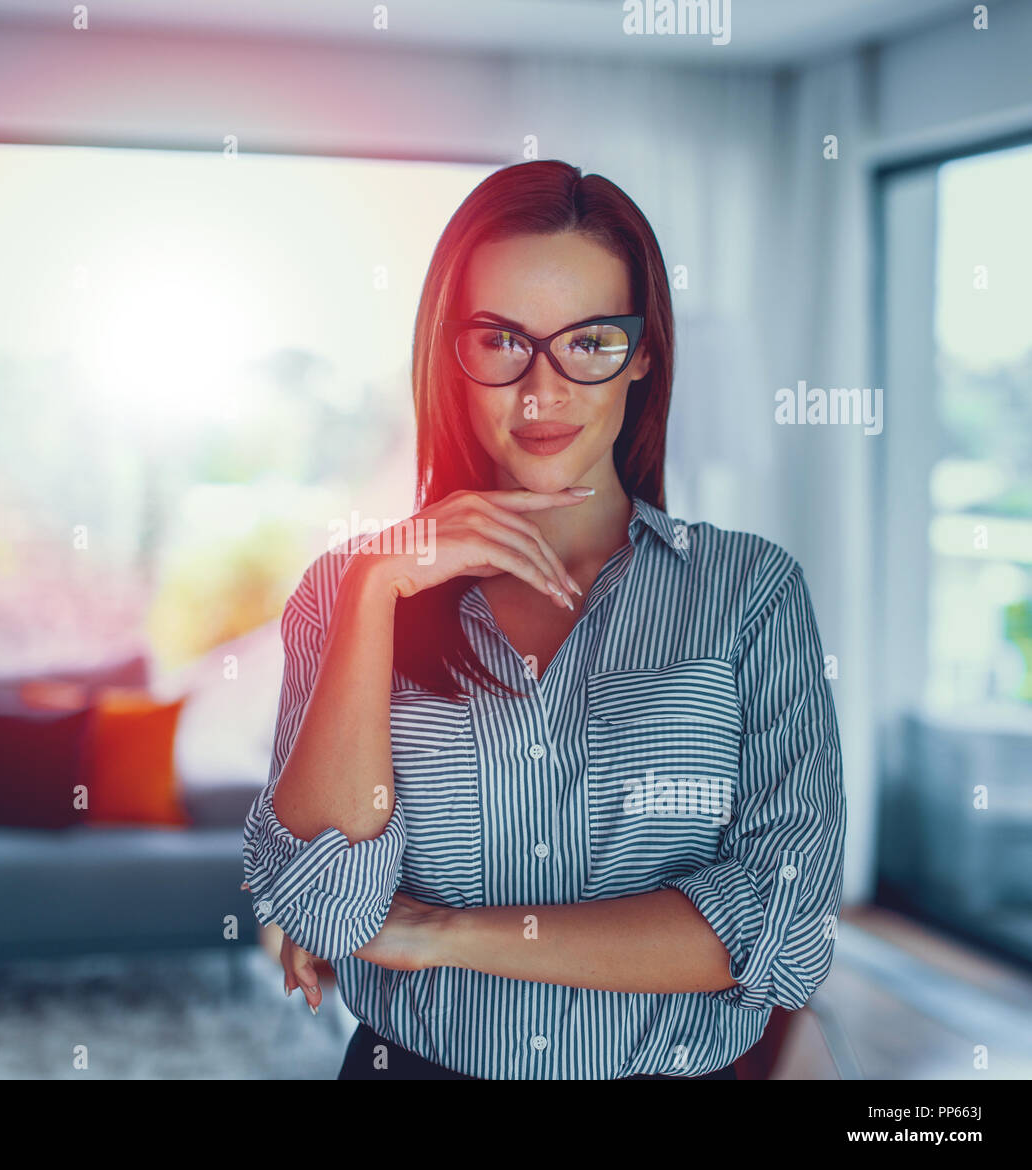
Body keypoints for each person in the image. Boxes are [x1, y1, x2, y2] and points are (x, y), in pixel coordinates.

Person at [241, 158, 846, 1080]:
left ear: (643, 353)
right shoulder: (346, 592)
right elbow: (324, 909)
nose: (543, 391)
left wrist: (442, 932)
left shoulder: (750, 594)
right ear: (451, 349)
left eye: (590, 341)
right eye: (501, 341)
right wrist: (373, 592)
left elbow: (782, 928)